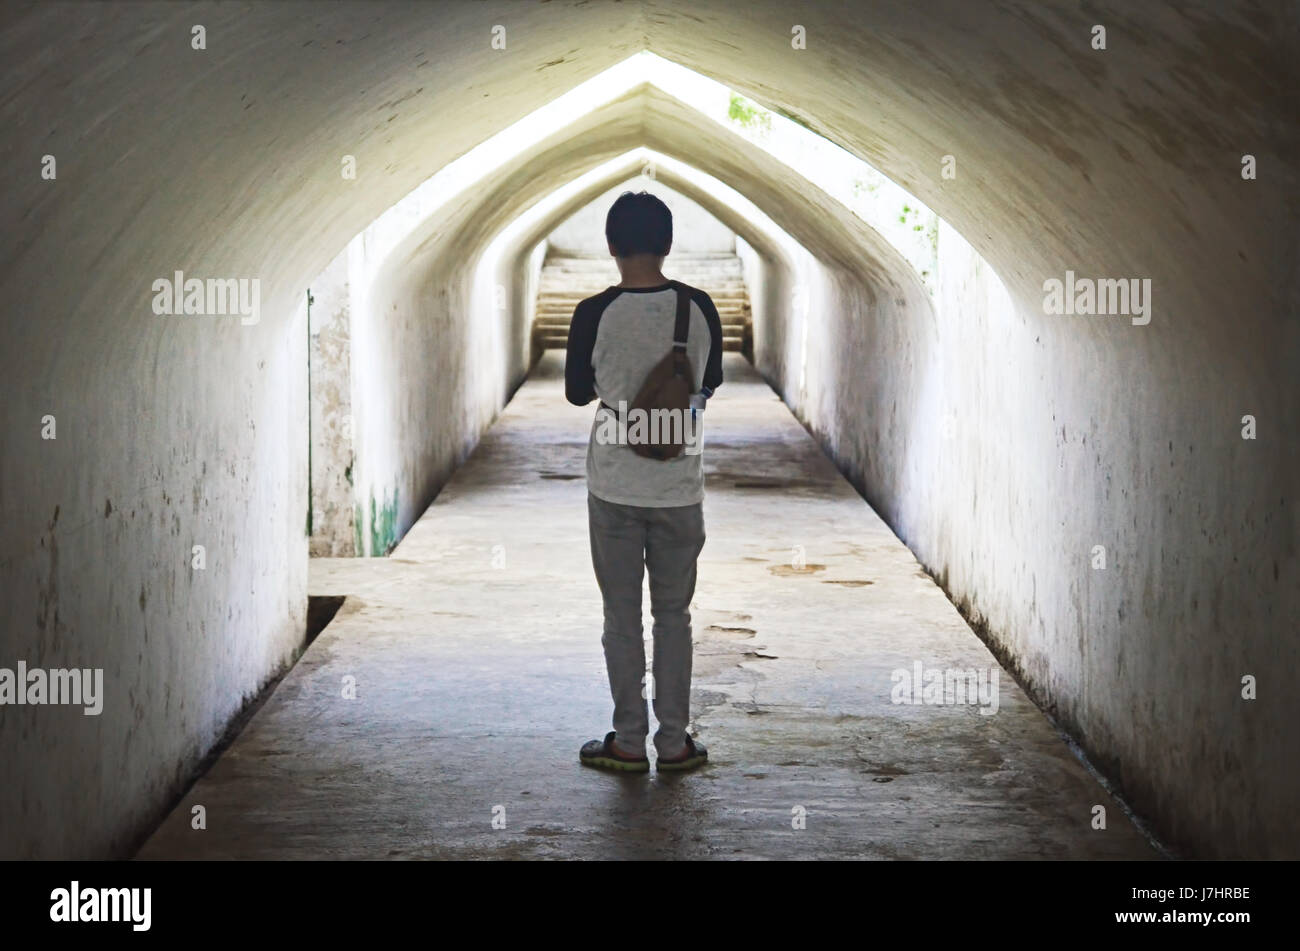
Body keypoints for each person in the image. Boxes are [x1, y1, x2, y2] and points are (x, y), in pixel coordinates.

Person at [564, 191, 724, 773]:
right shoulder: (699, 307)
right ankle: (676, 742)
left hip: (613, 485)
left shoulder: (593, 313)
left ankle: (629, 742)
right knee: (674, 616)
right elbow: (711, 380)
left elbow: (579, 392)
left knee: (620, 616)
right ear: (668, 244)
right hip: (680, 486)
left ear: (611, 246)